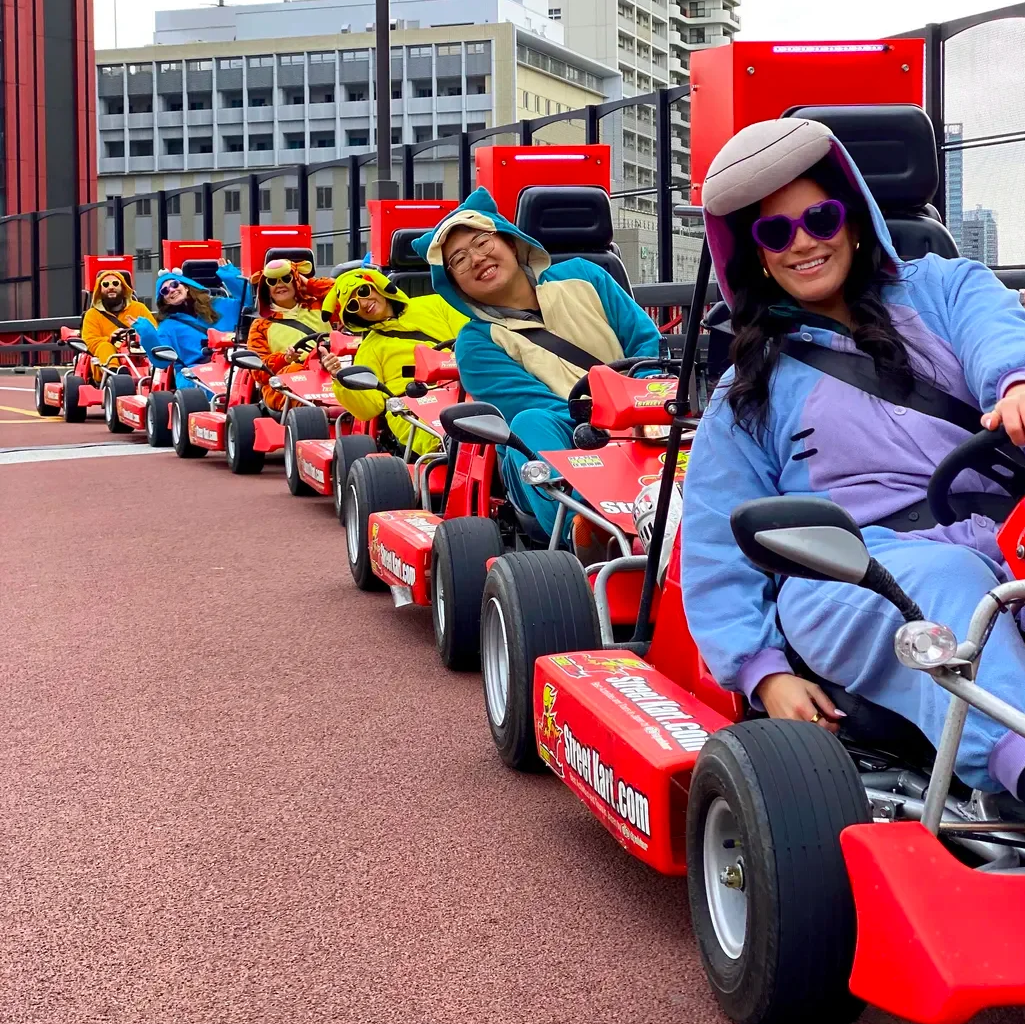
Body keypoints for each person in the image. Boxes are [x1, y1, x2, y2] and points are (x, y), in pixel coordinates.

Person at [682, 115, 1025, 804]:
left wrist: (1015, 383)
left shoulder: (943, 286)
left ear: (854, 219)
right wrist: (762, 672)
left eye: (820, 217)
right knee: (950, 583)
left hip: (1000, 531)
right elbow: (716, 540)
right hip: (851, 568)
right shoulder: (746, 390)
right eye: (775, 232)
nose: (803, 241)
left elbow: (996, 332)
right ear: (756, 255)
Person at [413, 186, 661, 547]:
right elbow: (532, 405)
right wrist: (607, 426)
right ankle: (584, 531)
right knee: (530, 423)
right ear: (454, 285)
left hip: (643, 417)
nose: (477, 258)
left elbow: (645, 343)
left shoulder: (585, 275)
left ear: (511, 242)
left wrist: (649, 398)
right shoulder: (476, 343)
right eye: (460, 260)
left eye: (483, 242)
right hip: (567, 436)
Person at [319, 267, 467, 456]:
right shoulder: (369, 349)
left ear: (377, 286)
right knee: (442, 430)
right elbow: (370, 407)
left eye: (363, 291)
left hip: (465, 386)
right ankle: (446, 447)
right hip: (414, 406)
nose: (363, 304)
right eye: (353, 305)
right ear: (354, 316)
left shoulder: (437, 303)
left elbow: (471, 335)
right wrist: (339, 378)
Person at [132, 261, 247, 386]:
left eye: (174, 284)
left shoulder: (220, 304)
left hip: (233, 366)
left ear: (186, 287)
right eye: (165, 291)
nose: (171, 290)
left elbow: (247, 303)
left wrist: (230, 276)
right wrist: (147, 334)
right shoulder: (167, 326)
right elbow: (162, 361)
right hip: (194, 375)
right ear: (164, 300)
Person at [246, 258, 336, 410]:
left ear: (295, 280)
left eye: (286, 279)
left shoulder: (320, 306)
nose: (280, 285)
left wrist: (310, 284)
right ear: (266, 288)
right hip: (285, 385)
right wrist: (285, 359)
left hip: (331, 369)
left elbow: (343, 293)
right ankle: (317, 413)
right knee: (296, 373)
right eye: (273, 281)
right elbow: (258, 372)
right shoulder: (260, 325)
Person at [80, 269, 155, 376]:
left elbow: (154, 332)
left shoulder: (139, 308)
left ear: (123, 287)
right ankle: (115, 373)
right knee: (105, 346)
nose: (111, 287)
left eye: (115, 283)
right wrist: (110, 339)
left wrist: (137, 337)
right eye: (106, 284)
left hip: (139, 356)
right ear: (100, 290)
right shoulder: (92, 314)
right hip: (105, 364)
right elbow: (89, 342)